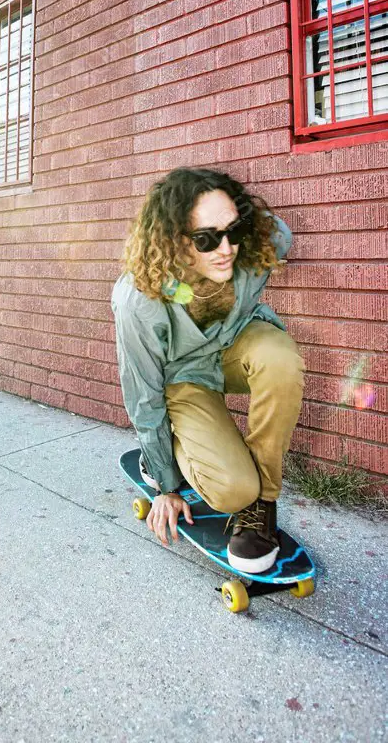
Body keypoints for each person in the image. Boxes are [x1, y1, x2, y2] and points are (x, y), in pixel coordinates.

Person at [111, 167, 305, 574]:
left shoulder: (255, 243)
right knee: (233, 491)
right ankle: (173, 457)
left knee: (279, 358)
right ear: (173, 242)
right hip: (185, 376)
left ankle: (262, 505)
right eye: (205, 238)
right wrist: (167, 485)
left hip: (236, 344)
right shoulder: (138, 301)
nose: (225, 249)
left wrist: (243, 222)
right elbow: (143, 392)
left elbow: (277, 234)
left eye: (232, 230)